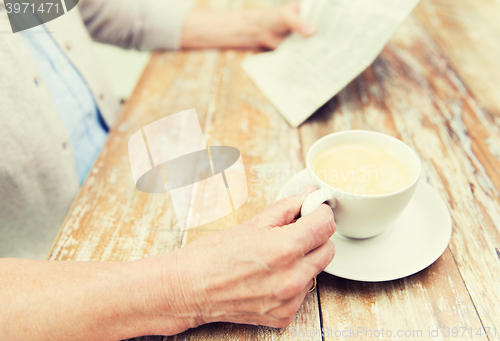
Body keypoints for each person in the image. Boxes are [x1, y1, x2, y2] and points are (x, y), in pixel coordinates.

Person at [0, 0, 335, 338]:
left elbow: (89, 8)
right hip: (57, 282)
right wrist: (186, 288)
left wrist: (251, 26)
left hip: (121, 171)